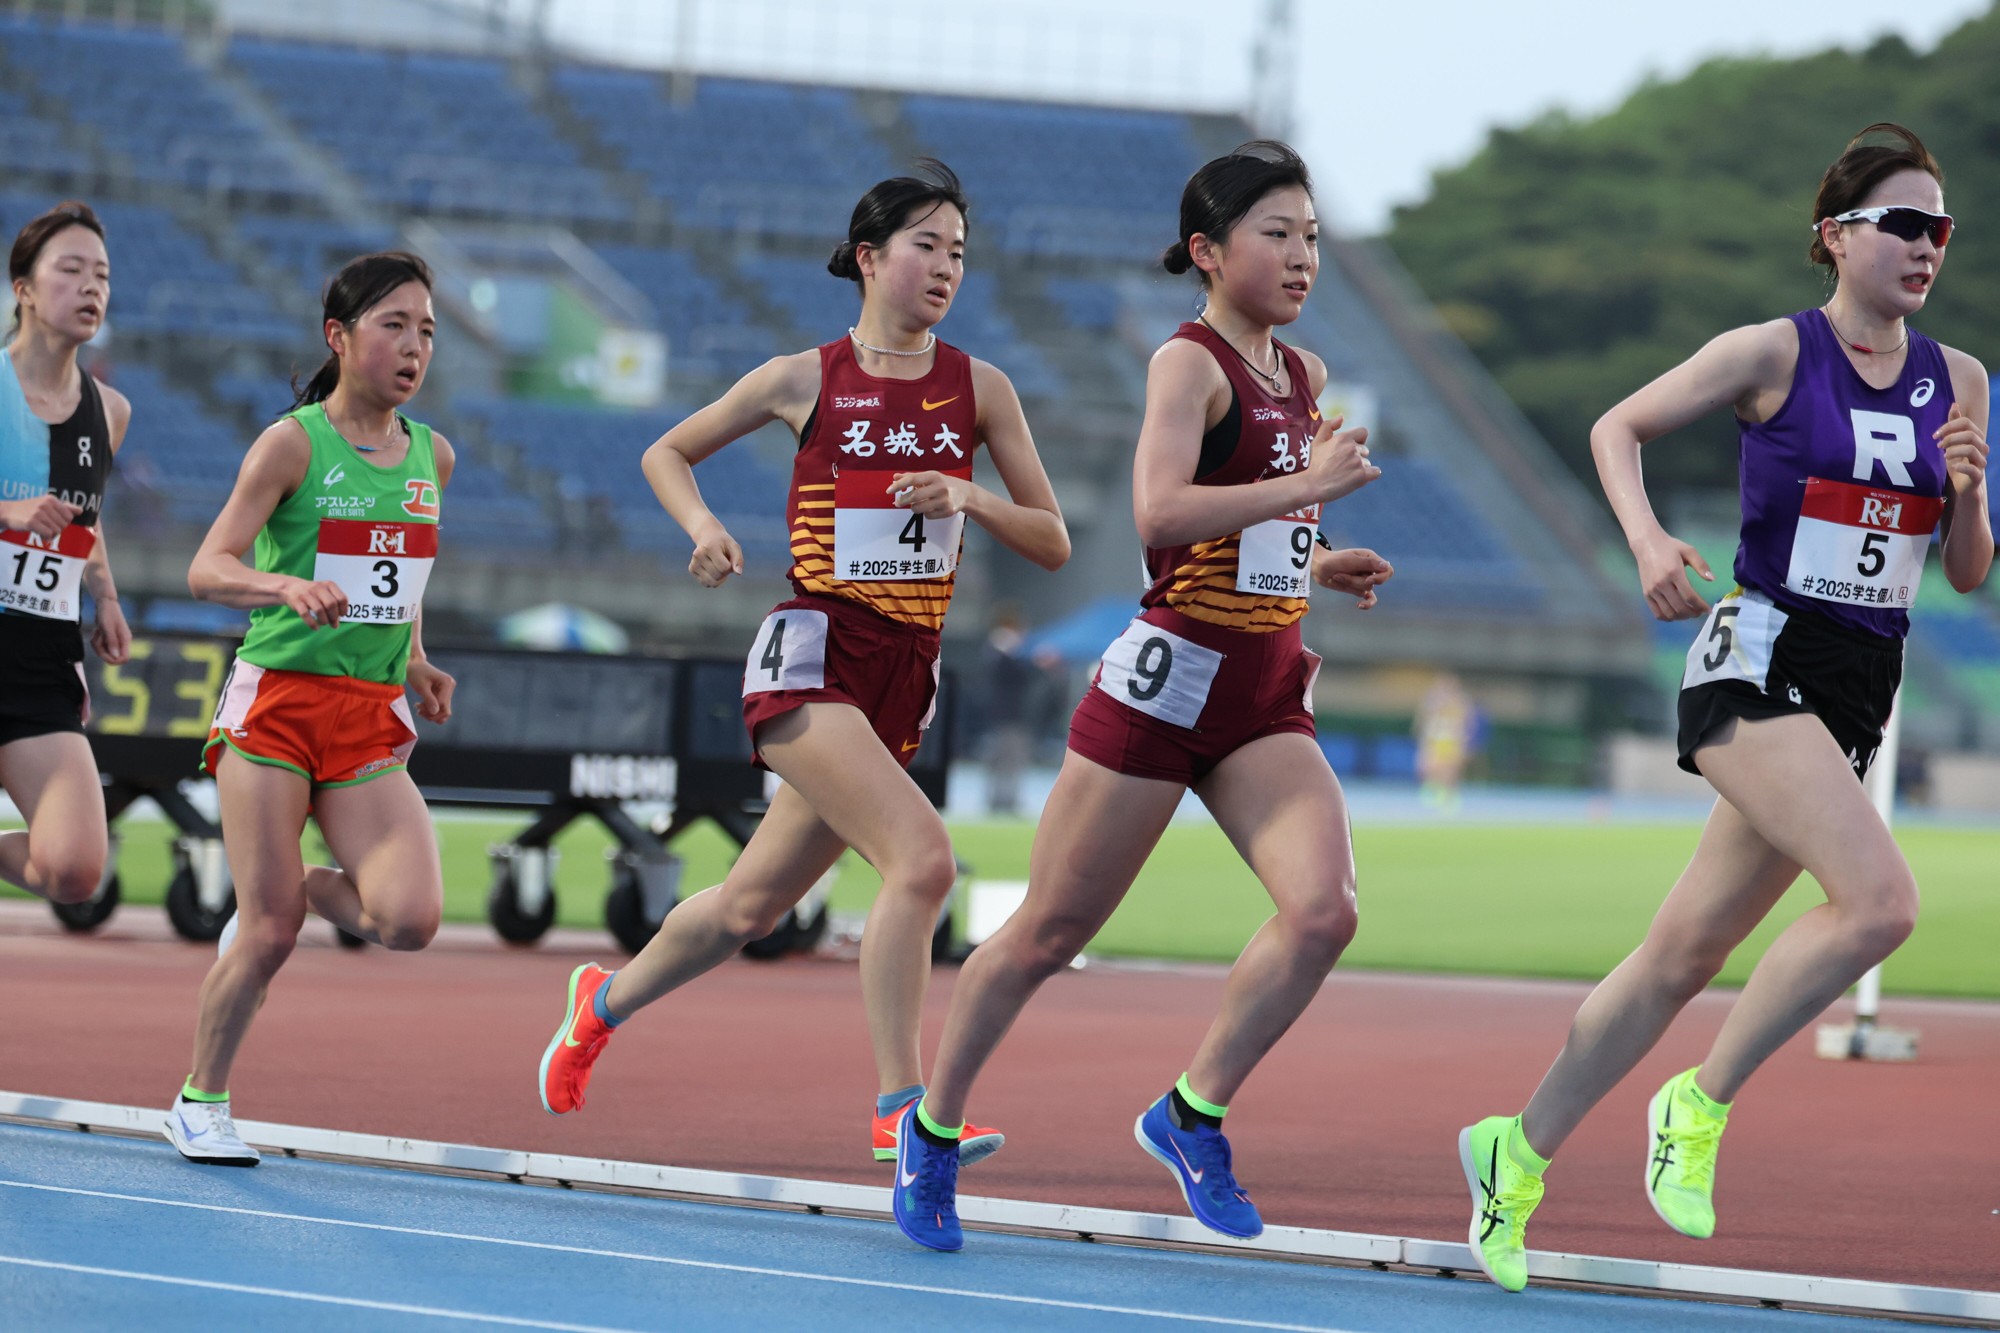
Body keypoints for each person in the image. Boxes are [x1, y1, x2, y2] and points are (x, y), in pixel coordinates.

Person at [1458, 122, 1989, 1293]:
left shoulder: (1957, 380)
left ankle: (1513, 1150)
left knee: (1681, 951)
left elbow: (1962, 571)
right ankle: (1693, 1105)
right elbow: (1616, 427)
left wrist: (1966, 489)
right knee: (1878, 904)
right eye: (1900, 223)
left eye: (1936, 228)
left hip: (1858, 683)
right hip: (1755, 654)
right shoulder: (1767, 352)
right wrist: (1645, 539)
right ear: (1832, 235)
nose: (1923, 246)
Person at [890, 141, 1395, 1252]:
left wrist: (1318, 555)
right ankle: (929, 1131)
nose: (1302, 254)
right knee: (1046, 931)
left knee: (1323, 911)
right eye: (1277, 233)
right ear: (1209, 252)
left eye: (1311, 234)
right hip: (1165, 689)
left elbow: (1249, 528)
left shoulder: (1300, 377)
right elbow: (1160, 516)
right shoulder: (1190, 363)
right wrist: (1311, 484)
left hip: (1261, 690)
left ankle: (1189, 1110)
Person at [537, 162, 1069, 1171]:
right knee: (920, 860)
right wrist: (700, 528)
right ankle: (899, 1109)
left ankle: (597, 1006)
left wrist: (972, 497)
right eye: (926, 246)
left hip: (901, 675)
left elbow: (1050, 538)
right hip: (813, 651)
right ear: (868, 256)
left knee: (747, 907)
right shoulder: (803, 376)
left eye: (959, 251)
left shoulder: (979, 389)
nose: (945, 267)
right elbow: (666, 451)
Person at [168, 252, 457, 1166]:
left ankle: (283, 893)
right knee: (270, 931)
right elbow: (207, 566)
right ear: (339, 336)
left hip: (368, 712)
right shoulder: (292, 443)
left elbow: (401, 575)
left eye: (427, 331)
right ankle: (198, 1102)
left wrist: (415, 658)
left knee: (409, 918)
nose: (414, 347)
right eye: (393, 326)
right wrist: (281, 585)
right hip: (278, 708)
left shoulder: (433, 454)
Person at [0, 201, 131, 908]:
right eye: (71, 270)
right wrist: (5, 513)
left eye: (103, 275)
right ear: (23, 288)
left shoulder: (108, 409)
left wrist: (105, 594)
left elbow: (89, 512)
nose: (91, 288)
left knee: (76, 868)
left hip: (42, 656)